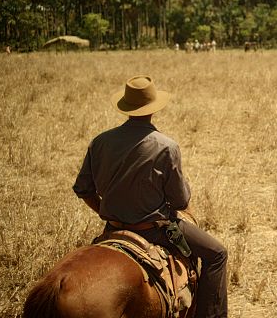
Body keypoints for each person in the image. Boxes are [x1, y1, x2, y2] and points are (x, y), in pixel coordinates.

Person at [73, 75, 228, 318]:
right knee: (217, 254)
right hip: (153, 230)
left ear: (126, 106)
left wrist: (108, 211)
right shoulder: (166, 146)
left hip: (112, 227)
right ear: (153, 108)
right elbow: (179, 202)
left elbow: (83, 189)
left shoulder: (99, 142)